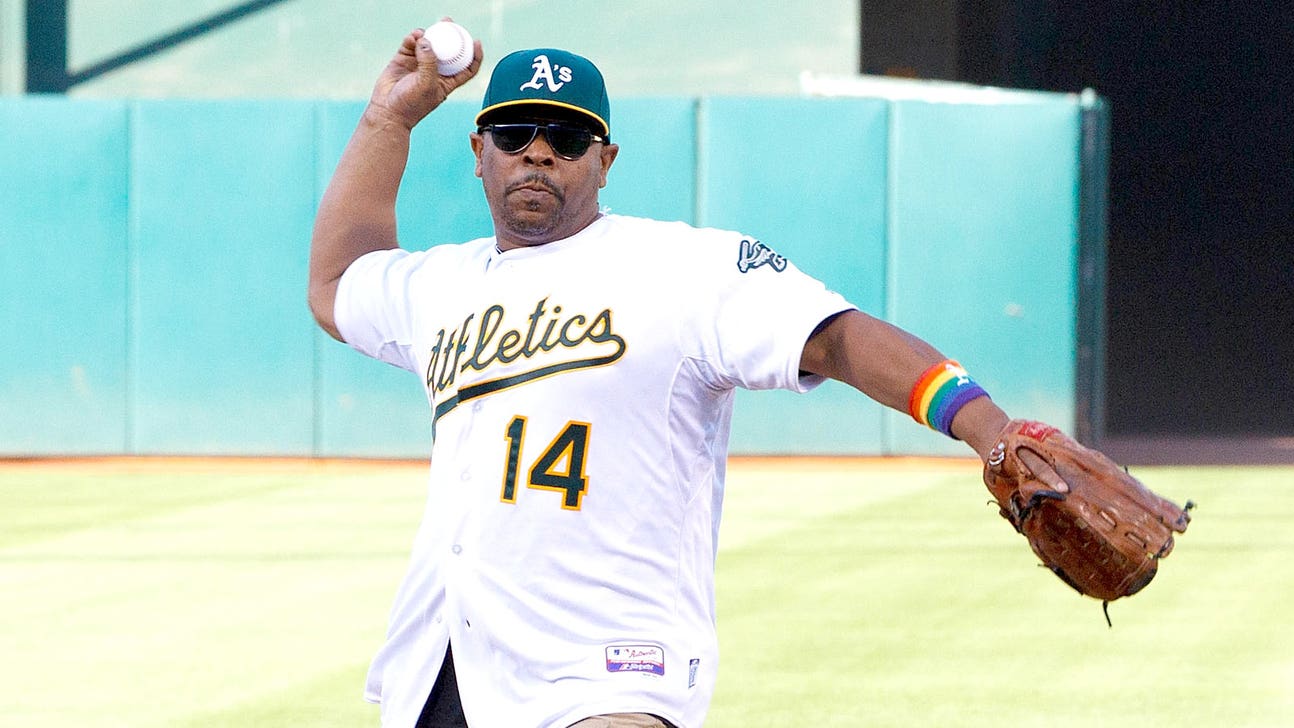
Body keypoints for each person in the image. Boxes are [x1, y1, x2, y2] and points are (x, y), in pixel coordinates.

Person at [309, 27, 1018, 728]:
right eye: (514, 131)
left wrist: (991, 428)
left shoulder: (685, 269)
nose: (538, 151)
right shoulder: (443, 286)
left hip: (608, 681)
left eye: (567, 137)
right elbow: (338, 283)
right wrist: (389, 117)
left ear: (605, 159)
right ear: (478, 151)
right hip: (445, 670)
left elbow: (840, 340)